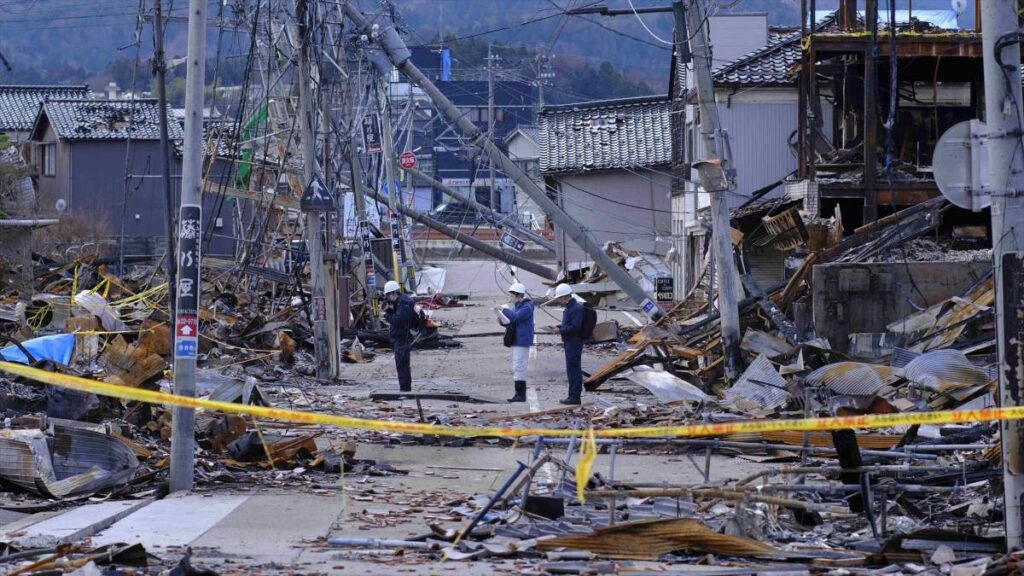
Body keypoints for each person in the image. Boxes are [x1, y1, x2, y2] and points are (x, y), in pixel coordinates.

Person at [500, 282, 535, 403]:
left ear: (517, 295)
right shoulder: (519, 306)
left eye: (511, 295)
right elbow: (512, 320)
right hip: (517, 339)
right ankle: (518, 394)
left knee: (519, 367)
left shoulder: (527, 307)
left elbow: (515, 318)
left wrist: (503, 310)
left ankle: (520, 395)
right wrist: (501, 319)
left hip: (522, 340)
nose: (510, 298)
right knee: (517, 366)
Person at [382, 280, 416, 392]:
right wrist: (391, 310)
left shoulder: (403, 304)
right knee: (401, 365)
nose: (388, 299)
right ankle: (405, 388)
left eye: (388, 296)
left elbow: (399, 321)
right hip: (400, 337)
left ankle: (405, 389)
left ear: (394, 294)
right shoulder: (401, 302)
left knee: (402, 365)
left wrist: (387, 315)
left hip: (402, 338)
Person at [554, 283, 584, 405]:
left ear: (564, 297)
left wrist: (560, 330)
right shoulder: (571, 307)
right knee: (571, 369)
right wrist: (560, 327)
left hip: (574, 342)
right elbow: (570, 325)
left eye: (559, 298)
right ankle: (572, 395)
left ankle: (575, 396)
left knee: (574, 369)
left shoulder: (575, 308)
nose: (559, 301)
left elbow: (576, 327)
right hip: (570, 341)